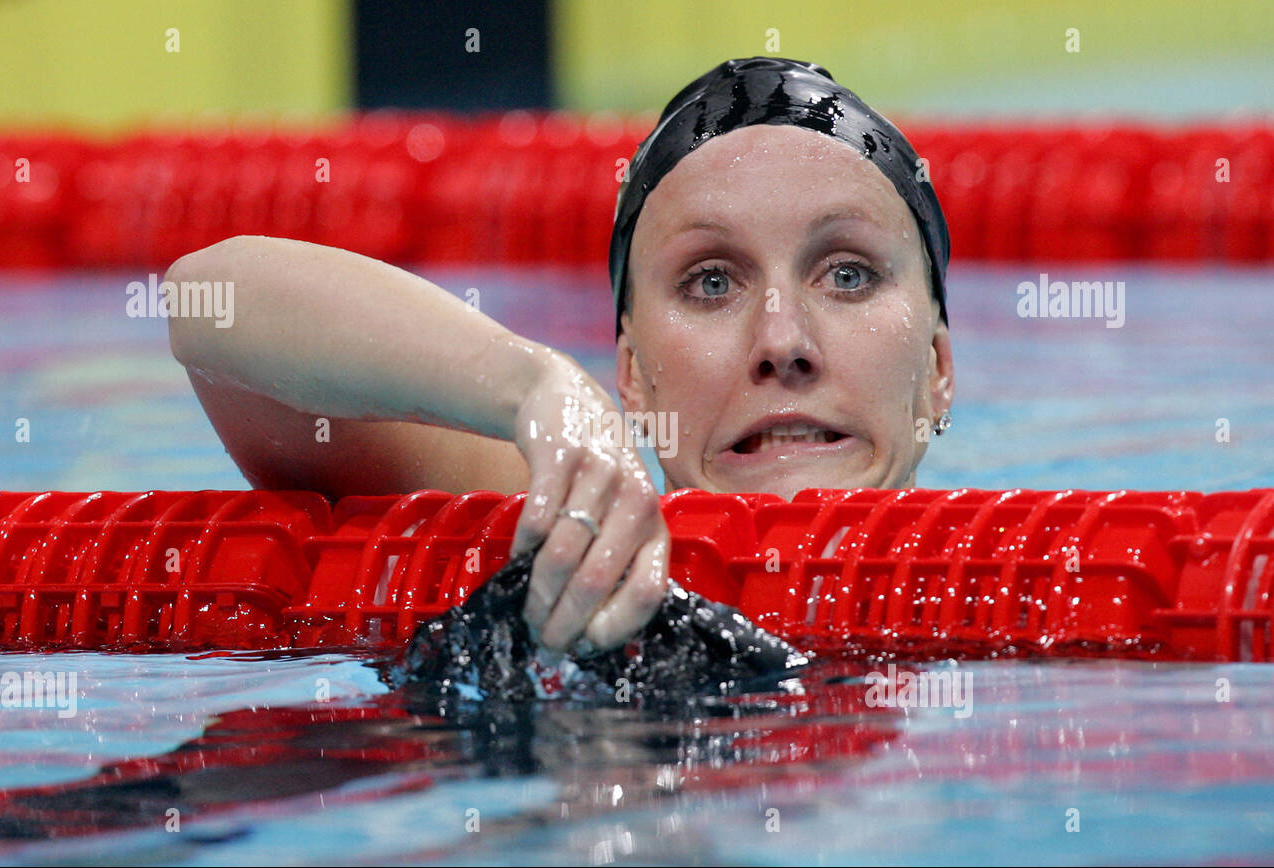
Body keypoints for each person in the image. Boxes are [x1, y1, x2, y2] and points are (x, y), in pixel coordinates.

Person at [164, 57, 955, 658]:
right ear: (634, 380)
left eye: (848, 275)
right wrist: (529, 387)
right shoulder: (569, 542)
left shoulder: (1054, 567)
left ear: (940, 370)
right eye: (712, 281)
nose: (783, 343)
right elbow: (207, 300)